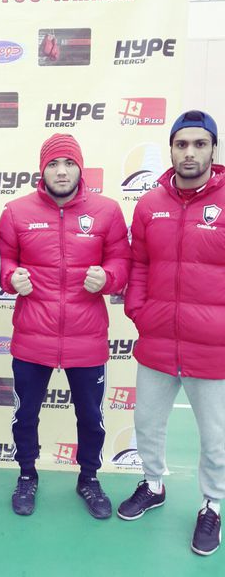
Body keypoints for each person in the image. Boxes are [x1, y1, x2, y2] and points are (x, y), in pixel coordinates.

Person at [0, 133, 131, 519]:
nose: (61, 171)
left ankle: (89, 478)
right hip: (32, 336)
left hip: (87, 338)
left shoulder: (107, 211)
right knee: (25, 415)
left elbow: (122, 262)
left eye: (69, 163)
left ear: (80, 168)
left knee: (90, 417)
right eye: (53, 164)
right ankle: (27, 475)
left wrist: (107, 277)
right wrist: (11, 277)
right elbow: (2, 259)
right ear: (42, 169)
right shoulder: (16, 212)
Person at [118, 110, 225, 556]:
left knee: (215, 437)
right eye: (182, 144)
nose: (190, 153)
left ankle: (212, 505)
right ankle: (153, 484)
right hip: (158, 339)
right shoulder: (149, 205)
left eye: (199, 144)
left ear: (213, 149)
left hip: (213, 346)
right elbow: (139, 264)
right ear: (172, 150)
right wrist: (138, 310)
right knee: (147, 423)